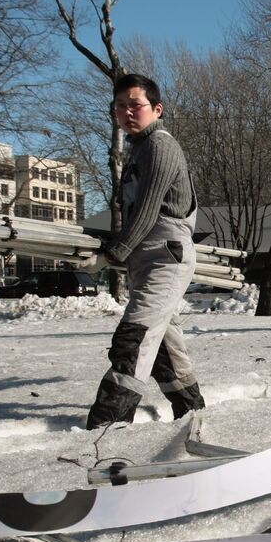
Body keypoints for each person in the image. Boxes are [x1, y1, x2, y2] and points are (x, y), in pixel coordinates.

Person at [85, 74, 206, 429]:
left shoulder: (161, 146)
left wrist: (112, 254)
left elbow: (148, 210)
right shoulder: (139, 150)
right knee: (166, 351)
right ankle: (194, 414)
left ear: (156, 108)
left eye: (134, 105)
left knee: (133, 340)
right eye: (119, 106)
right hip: (147, 259)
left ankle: (106, 428)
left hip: (165, 258)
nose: (126, 112)